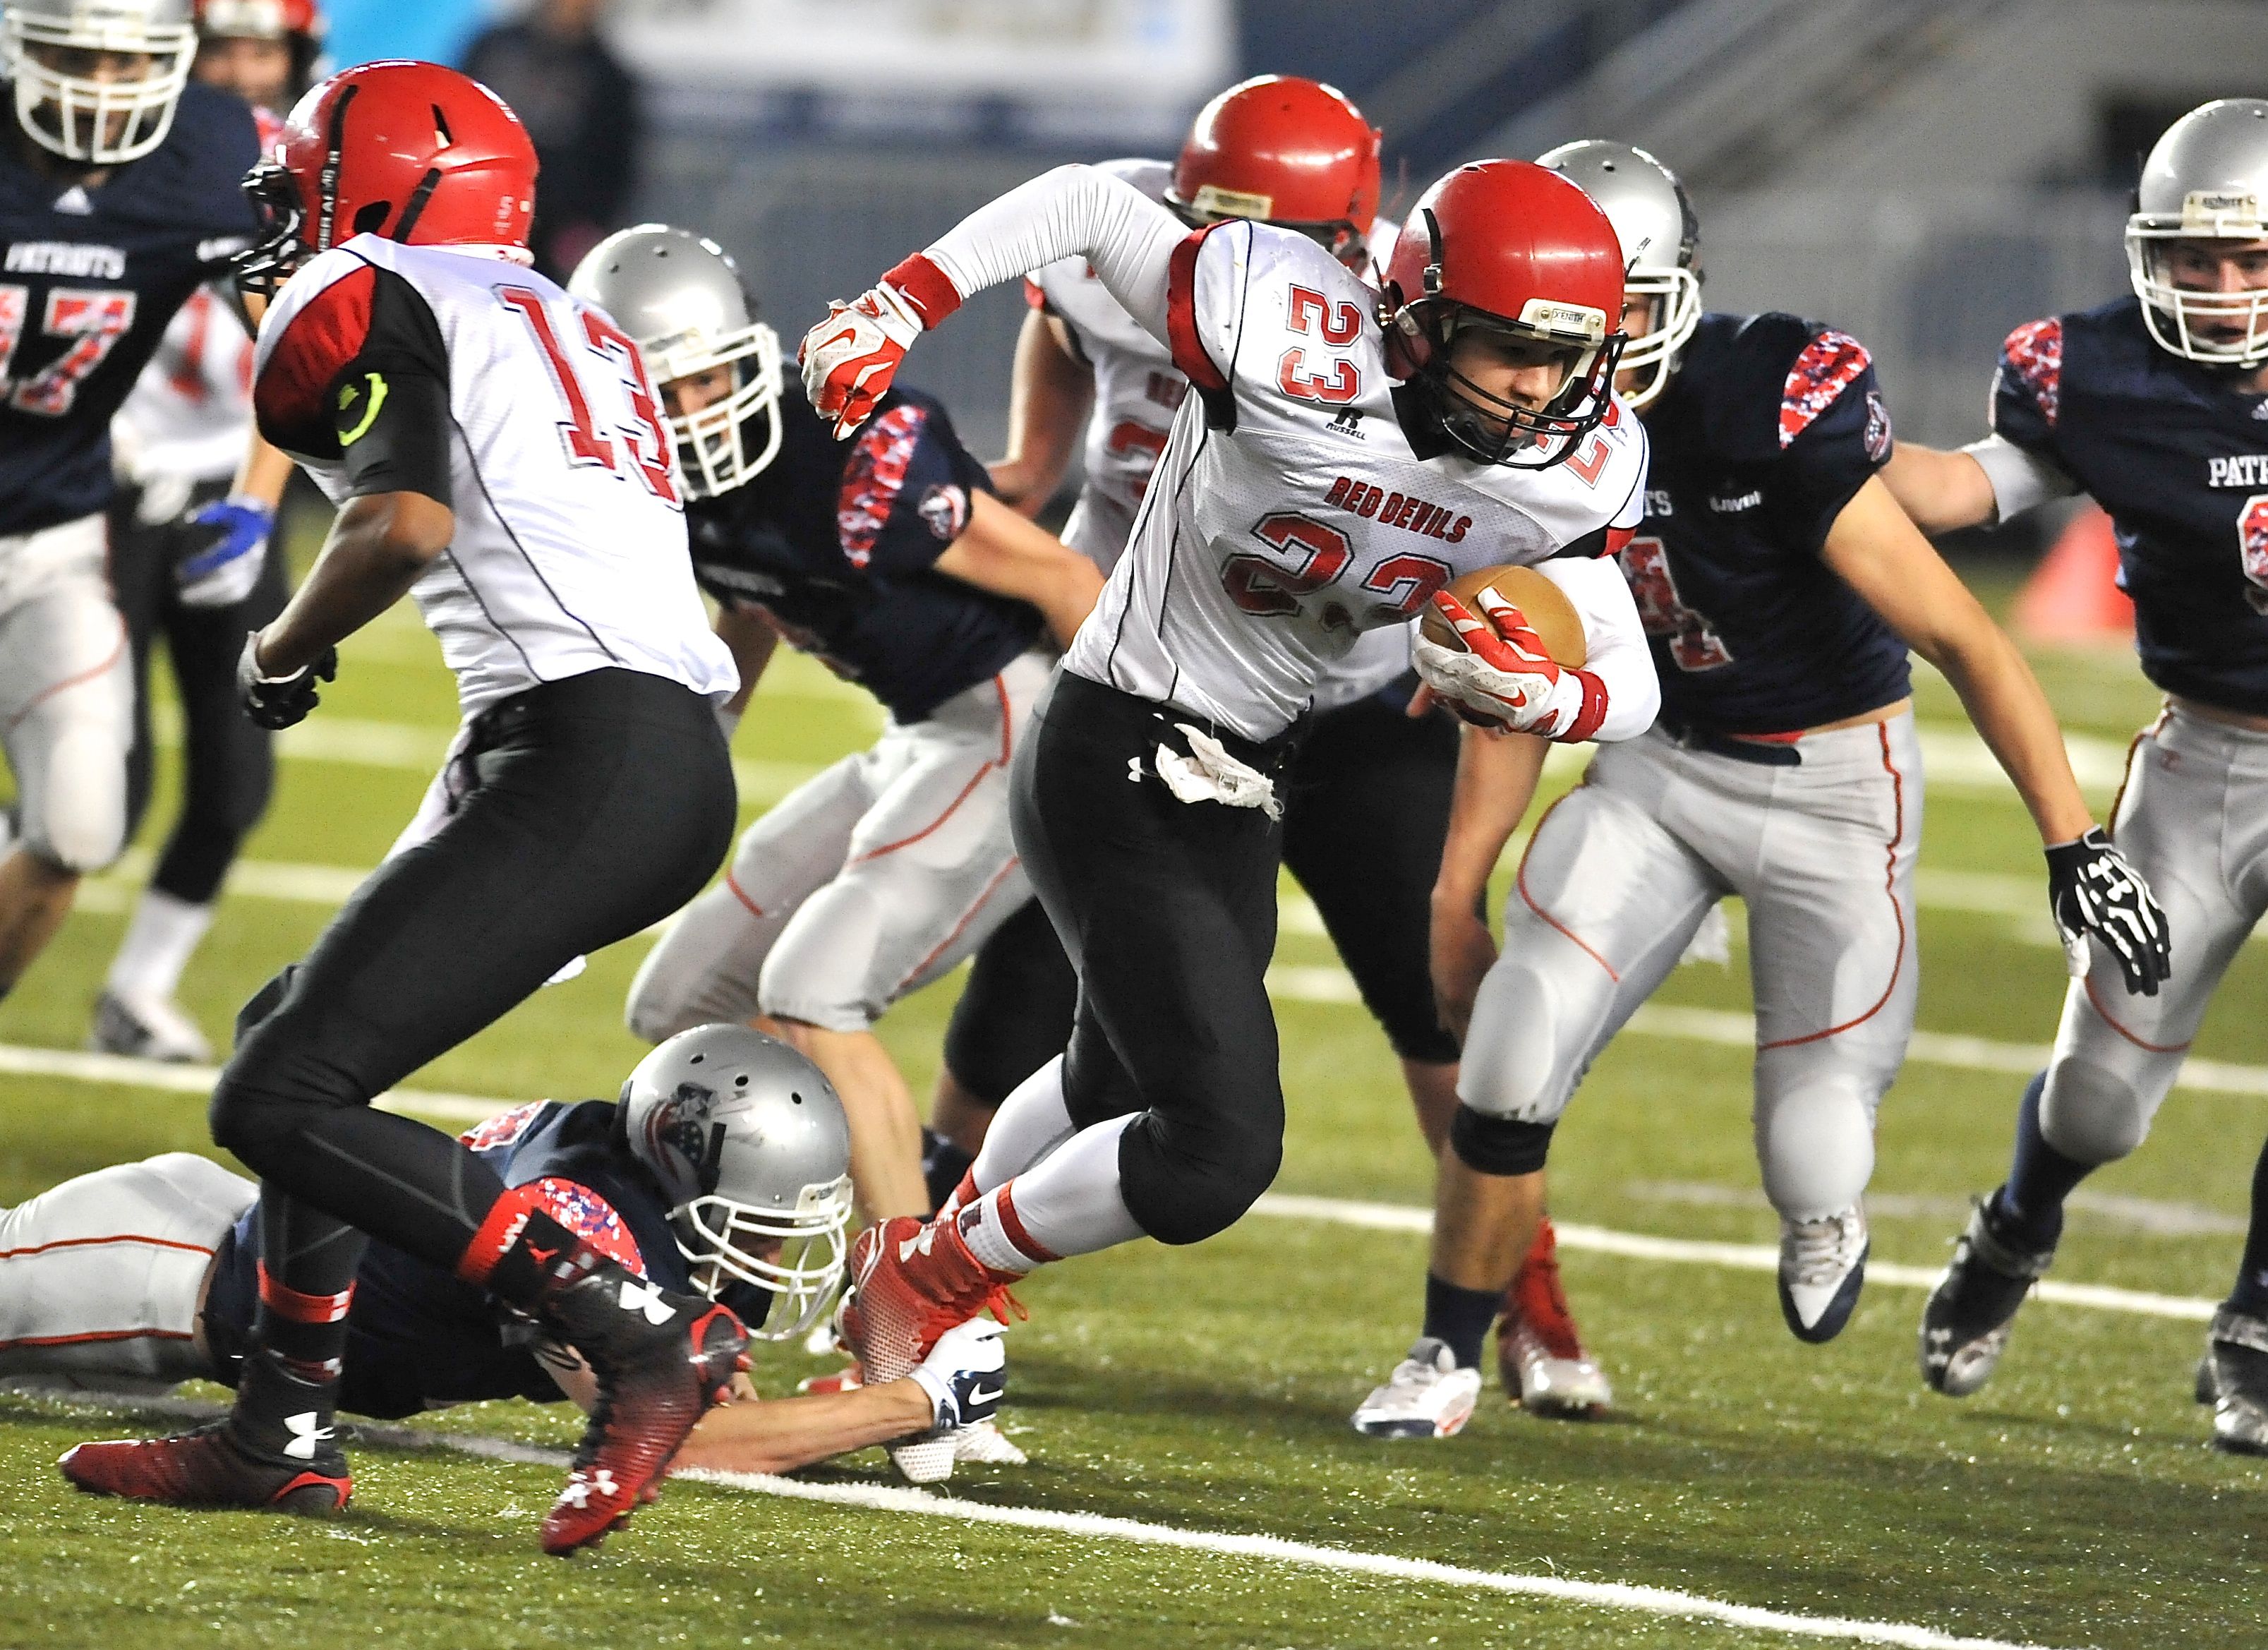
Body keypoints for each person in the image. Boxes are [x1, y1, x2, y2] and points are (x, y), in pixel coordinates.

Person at [798, 155, 1664, 1408]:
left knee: (1110, 1083)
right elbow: (1086, 207)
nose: (1539, 391)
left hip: (1248, 777)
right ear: (1416, 326)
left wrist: (1555, 698)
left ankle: (918, 1279)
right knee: (1212, 1154)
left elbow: (1629, 666)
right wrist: (902, 301)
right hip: (1120, 739)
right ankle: (925, 1280)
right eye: (1507, 348)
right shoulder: (1283, 318)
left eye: (1564, 358)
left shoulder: (1577, 465)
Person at [1345, 141, 2171, 1438]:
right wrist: (1457, 888)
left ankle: (1824, 1207)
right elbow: (1509, 685)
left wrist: (2071, 841)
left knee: (1810, 1148)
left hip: (1832, 784)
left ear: (1670, 297)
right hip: (1658, 770)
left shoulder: (1756, 399)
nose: (1579, 356)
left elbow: (1965, 637)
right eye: (1541, 330)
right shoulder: (1502, 432)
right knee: (1509, 1040)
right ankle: (1447, 1350)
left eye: (1612, 314)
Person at [58, 61, 749, 1558]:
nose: (282, 222)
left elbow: (402, 517)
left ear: (368, 191)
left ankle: (633, 1335)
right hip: (636, 744)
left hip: (584, 748)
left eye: (301, 187)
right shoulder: (566, 312)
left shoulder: (369, 280)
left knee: (277, 1099)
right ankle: (280, 1431)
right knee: (286, 1039)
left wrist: (279, 646)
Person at [572, 224, 1104, 1229]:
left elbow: (1063, 576)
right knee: (681, 1003)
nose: (691, 414)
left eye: (705, 380)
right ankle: (754, 1246)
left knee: (812, 989)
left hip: (1010, 718)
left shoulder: (850, 445)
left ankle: (919, 1324)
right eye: (660, 392)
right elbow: (755, 586)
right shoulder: (665, 487)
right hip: (920, 733)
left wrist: (1124, 762)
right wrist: (708, 728)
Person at [1881, 98, 2268, 1455]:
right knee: (2099, 1101)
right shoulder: (2097, 372)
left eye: (2248, 261)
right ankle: (2013, 1223)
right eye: (2190, 259)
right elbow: (1966, 486)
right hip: (2206, 754)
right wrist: (1823, 459)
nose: (2217, 291)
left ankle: (2256, 1321)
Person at [2, 1028, 1010, 1479]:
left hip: (221, 1229)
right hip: (163, 1270)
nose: (779, 1243)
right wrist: (916, 1402)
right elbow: (686, 1440)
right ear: (686, 1166)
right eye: (763, 1213)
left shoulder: (618, 1162)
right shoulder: (580, 1219)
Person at [0, 0, 267, 1011]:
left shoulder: (209, 155)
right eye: (74, 58)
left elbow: (301, 341)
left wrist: (276, 482)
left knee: (78, 826)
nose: (99, 90)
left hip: (49, 540)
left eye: (126, 63)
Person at [93, 0, 327, 1063]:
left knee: (238, 779)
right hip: (106, 481)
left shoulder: (318, 176)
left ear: (296, 53)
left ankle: (137, 991)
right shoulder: (119, 145)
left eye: (260, 52)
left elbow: (298, 361)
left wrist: (255, 497)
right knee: (102, 781)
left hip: (236, 483)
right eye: (220, 51)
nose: (239, 73)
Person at [460, 0, 640, 281]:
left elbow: (613, 172)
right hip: (465, 218)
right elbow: (448, 117)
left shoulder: (610, 79)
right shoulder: (494, 48)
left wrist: (581, 234)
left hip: (543, 248)